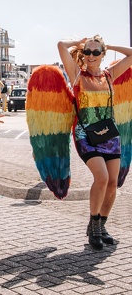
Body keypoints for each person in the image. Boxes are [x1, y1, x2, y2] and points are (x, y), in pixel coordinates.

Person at [58, 35, 132, 250]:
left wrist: (108, 45)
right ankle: (93, 224)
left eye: (96, 52)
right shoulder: (77, 75)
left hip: (109, 135)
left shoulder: (110, 75)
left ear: (102, 54)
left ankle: (101, 226)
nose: (91, 56)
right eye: (87, 52)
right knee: (102, 177)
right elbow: (61, 45)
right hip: (86, 136)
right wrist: (79, 42)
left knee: (112, 182)